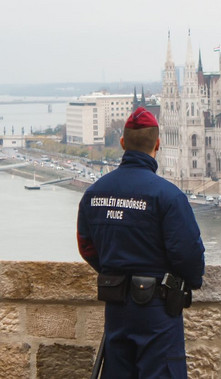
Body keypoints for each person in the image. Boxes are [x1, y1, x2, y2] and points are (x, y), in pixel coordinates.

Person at [77, 107, 205, 378]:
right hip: (158, 311)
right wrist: (186, 282)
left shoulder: (94, 194)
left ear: (122, 143)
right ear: (158, 144)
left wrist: (114, 270)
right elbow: (189, 255)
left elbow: (86, 247)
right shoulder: (168, 196)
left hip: (117, 308)